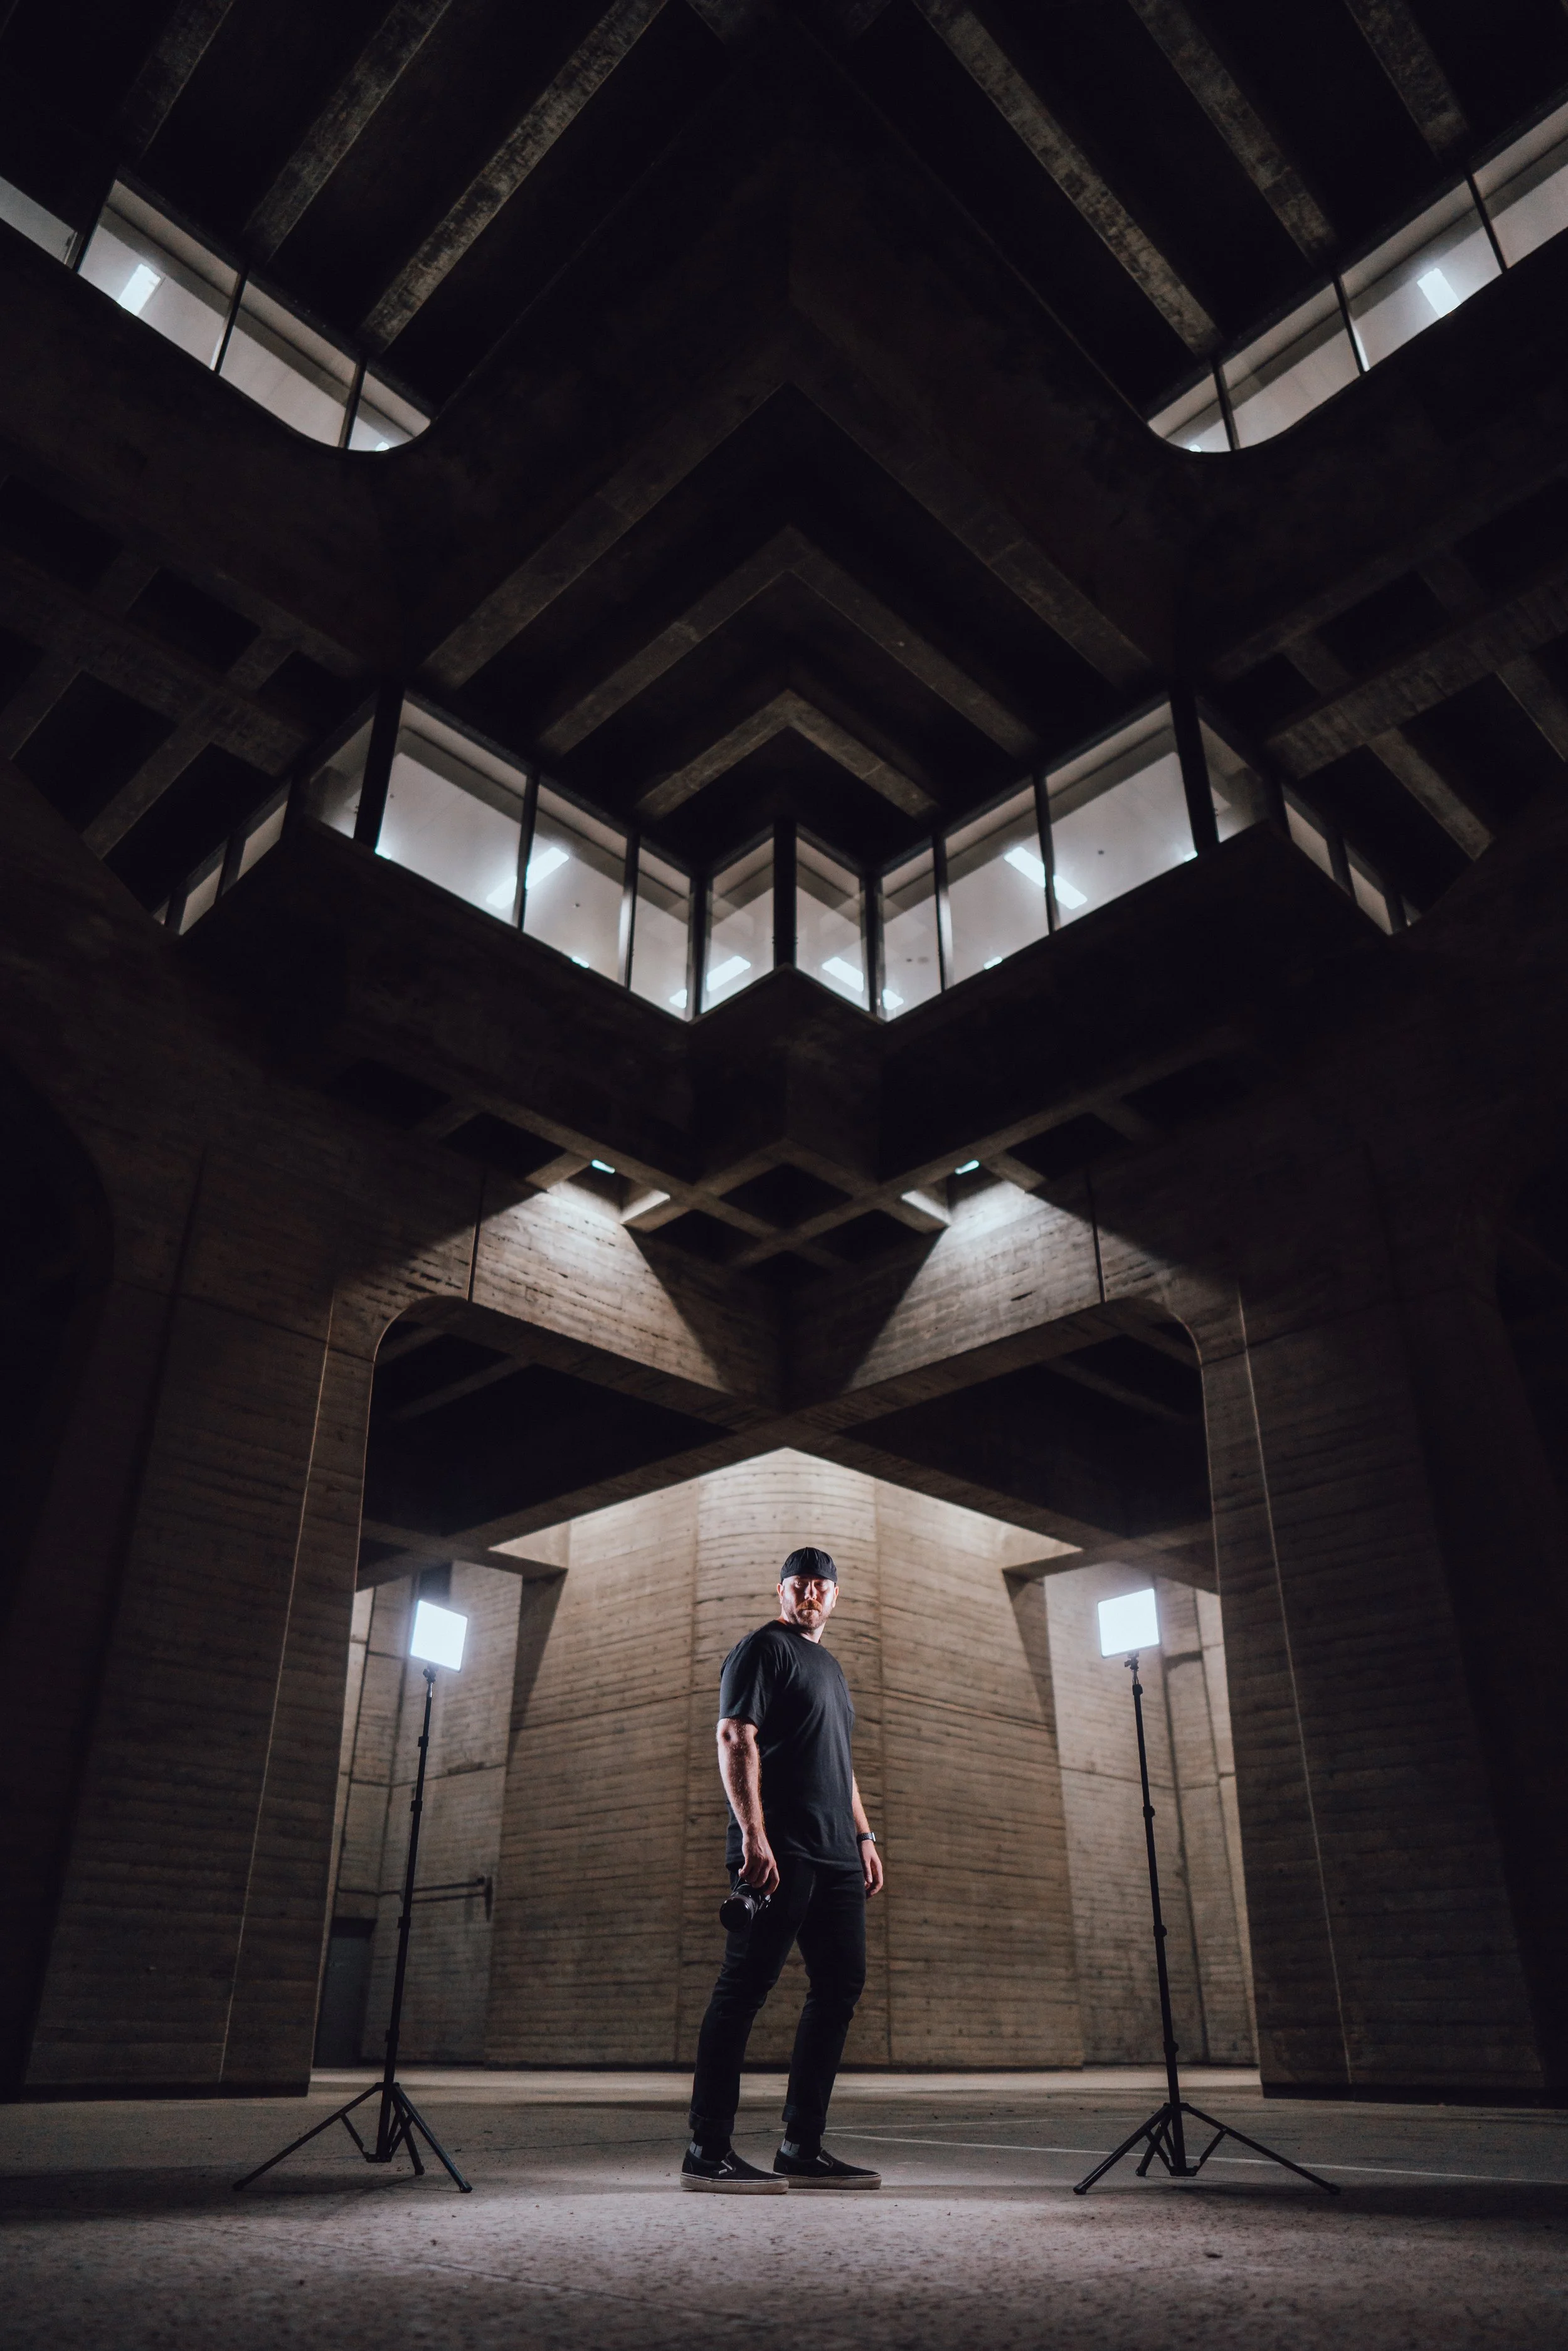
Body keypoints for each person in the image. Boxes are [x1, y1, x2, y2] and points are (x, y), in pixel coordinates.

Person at [682, 1546, 885, 2193]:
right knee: (743, 1989)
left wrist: (864, 1834)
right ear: (780, 1591)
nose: (811, 1595)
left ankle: (802, 2146)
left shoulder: (829, 1666)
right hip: (778, 1851)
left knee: (840, 1986)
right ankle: (706, 2150)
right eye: (799, 1585)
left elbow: (840, 1761)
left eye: (822, 1587)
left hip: (835, 1853)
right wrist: (753, 1833)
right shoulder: (761, 1650)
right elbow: (734, 1736)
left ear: (835, 1596)